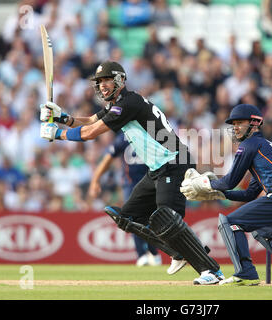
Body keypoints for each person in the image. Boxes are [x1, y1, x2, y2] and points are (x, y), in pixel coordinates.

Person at [39, 60, 224, 285]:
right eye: (99, 82)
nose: (103, 85)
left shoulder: (129, 103)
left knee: (168, 219)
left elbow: (90, 133)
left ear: (120, 80)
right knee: (128, 216)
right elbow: (90, 120)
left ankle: (212, 271)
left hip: (174, 163)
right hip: (157, 168)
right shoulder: (118, 104)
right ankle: (178, 251)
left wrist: (57, 134)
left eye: (107, 80)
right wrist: (62, 118)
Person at [180, 104, 272, 286]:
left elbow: (229, 181)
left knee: (229, 222)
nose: (235, 127)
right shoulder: (264, 148)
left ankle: (246, 272)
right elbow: (250, 194)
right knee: (264, 231)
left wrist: (205, 184)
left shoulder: (249, 144)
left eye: (240, 123)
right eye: (233, 124)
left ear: (255, 123)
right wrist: (220, 195)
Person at [88, 131, 162, 267]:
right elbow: (108, 158)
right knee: (133, 218)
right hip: (133, 183)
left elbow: (108, 159)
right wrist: (95, 179)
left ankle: (153, 252)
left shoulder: (136, 136)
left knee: (151, 217)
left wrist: (95, 180)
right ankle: (143, 254)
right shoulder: (128, 137)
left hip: (148, 182)